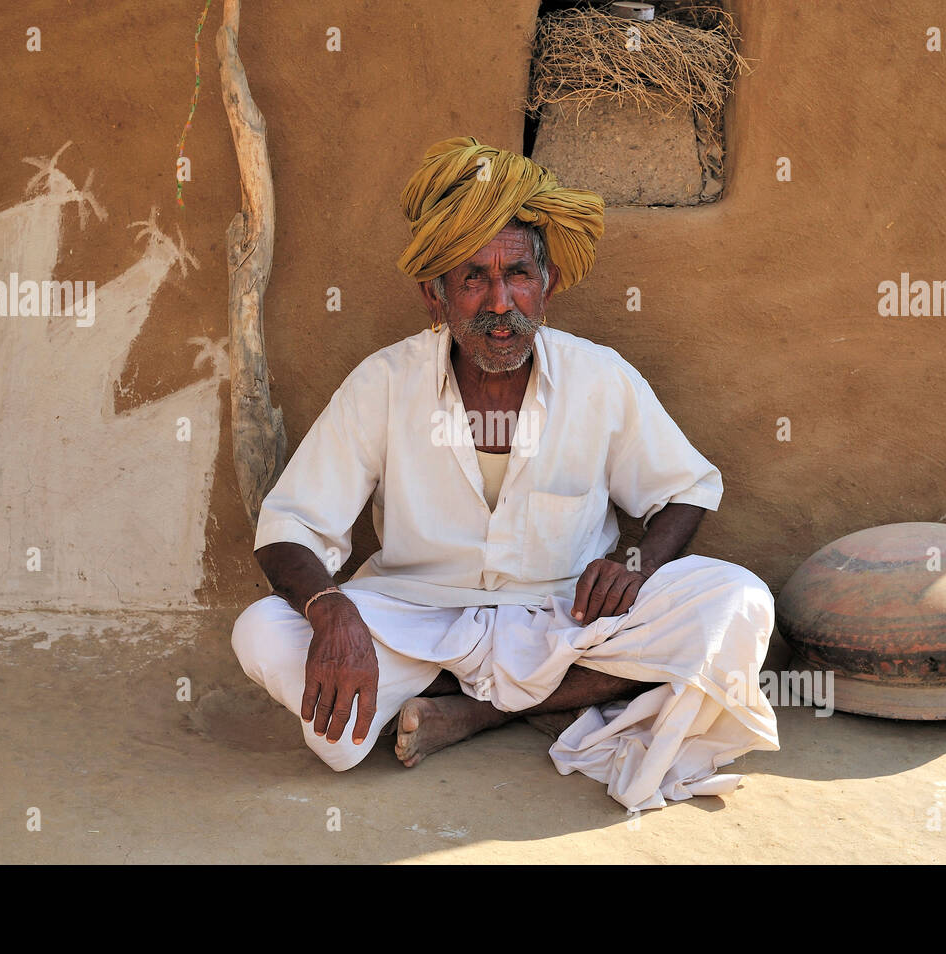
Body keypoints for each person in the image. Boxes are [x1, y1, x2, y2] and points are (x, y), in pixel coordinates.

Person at [231, 136, 778, 811]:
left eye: (517, 273)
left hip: (565, 620)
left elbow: (685, 489)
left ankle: (473, 714)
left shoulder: (598, 377)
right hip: (421, 620)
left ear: (545, 285)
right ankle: (514, 699)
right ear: (435, 298)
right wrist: (329, 607)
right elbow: (290, 526)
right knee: (262, 632)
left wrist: (636, 561)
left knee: (737, 600)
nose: (500, 302)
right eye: (473, 279)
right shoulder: (385, 383)